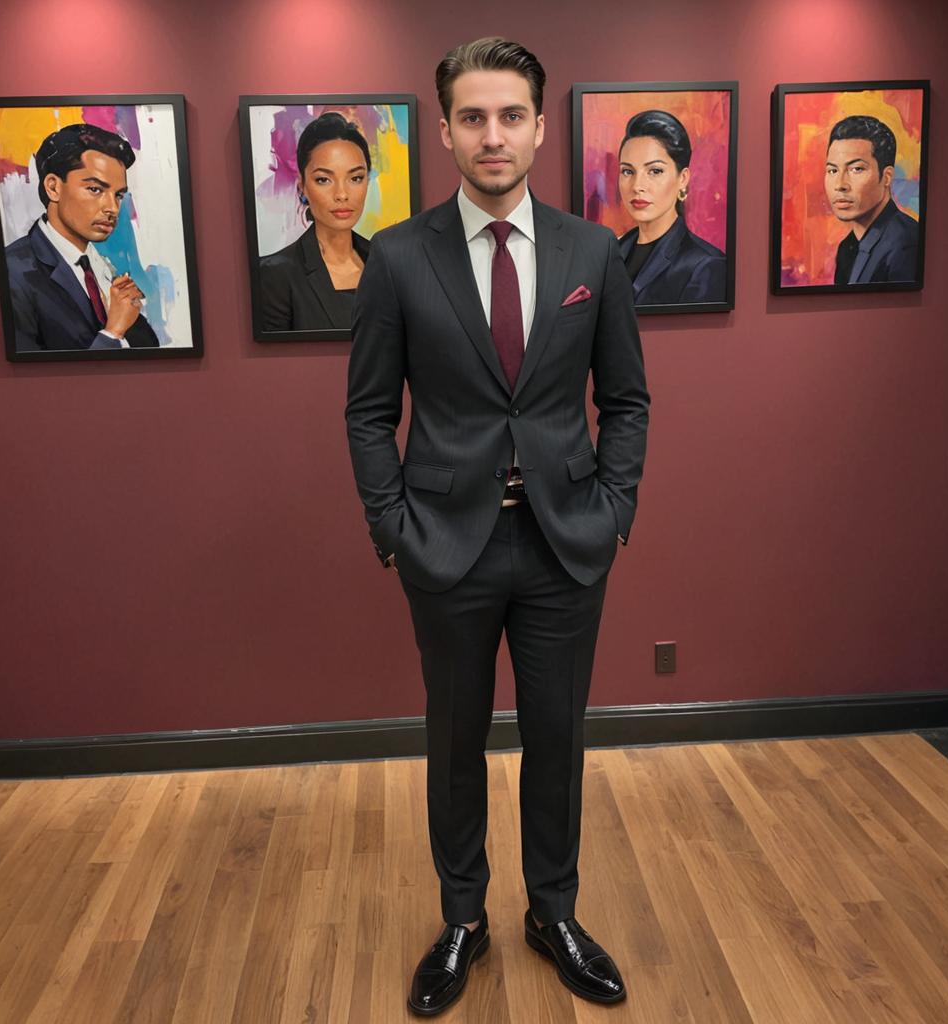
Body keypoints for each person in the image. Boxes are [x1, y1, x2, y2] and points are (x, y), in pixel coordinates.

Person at [346, 36, 649, 1017]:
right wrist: (393, 524)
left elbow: (628, 401)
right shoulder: (396, 258)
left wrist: (614, 512)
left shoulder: (589, 251)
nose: (491, 135)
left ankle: (551, 911)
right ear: (443, 129)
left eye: (509, 115)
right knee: (455, 738)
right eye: (471, 117)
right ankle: (464, 917)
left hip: (566, 544)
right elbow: (365, 411)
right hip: (447, 548)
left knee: (557, 736)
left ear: (537, 125)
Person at [5, 123, 158, 352]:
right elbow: (30, 381)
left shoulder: (100, 267)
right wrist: (113, 332)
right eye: (95, 189)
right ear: (53, 187)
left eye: (118, 195)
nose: (112, 208)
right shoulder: (13, 271)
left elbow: (150, 347)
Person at [259, 112, 371, 331]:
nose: (342, 194)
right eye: (324, 179)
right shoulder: (275, 275)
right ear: (302, 187)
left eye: (355, 178)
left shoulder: (391, 264)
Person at [616, 109, 726, 306]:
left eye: (655, 171)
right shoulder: (614, 250)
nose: (637, 186)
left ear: (682, 179)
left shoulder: (705, 265)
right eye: (627, 171)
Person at [825, 114, 919, 285]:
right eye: (832, 171)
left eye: (857, 169)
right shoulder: (847, 248)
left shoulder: (907, 244)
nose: (840, 185)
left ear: (887, 176)